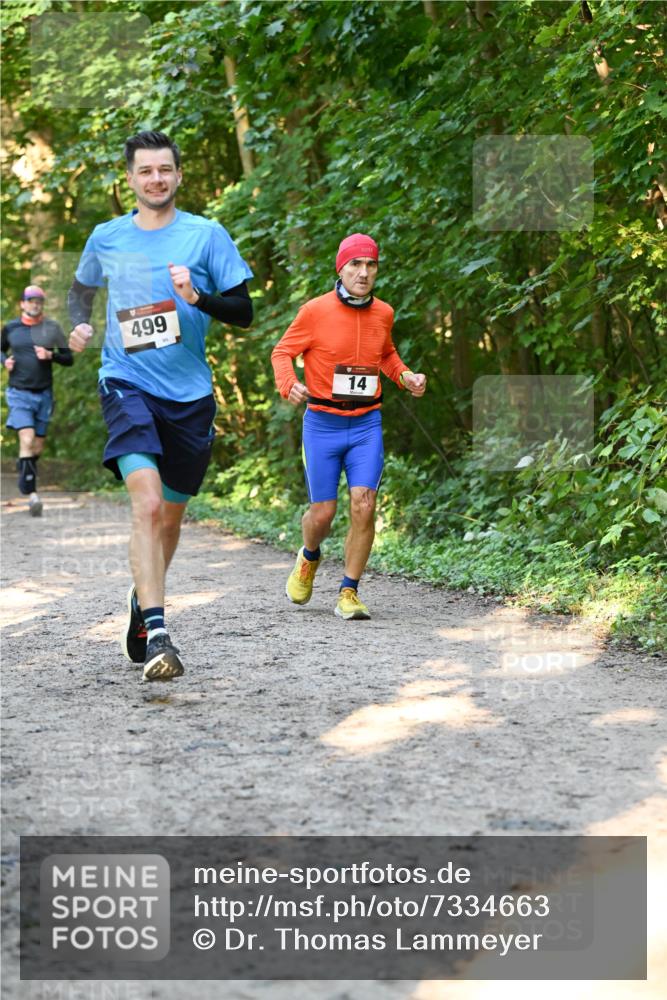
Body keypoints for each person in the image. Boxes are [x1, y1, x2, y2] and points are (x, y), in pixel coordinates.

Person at [68, 130, 253, 681]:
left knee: (170, 518)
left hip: (190, 397)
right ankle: (158, 633)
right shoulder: (107, 237)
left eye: (164, 170)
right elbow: (81, 291)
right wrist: (79, 322)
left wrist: (197, 298)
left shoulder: (206, 235)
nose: (156, 179)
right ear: (129, 178)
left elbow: (244, 311)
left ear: (178, 175)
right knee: (146, 506)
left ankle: (139, 600)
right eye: (145, 171)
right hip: (125, 382)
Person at [271, 233, 426, 620]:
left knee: (365, 504)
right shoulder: (314, 311)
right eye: (356, 264)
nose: (364, 272)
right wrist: (288, 384)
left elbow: (386, 354)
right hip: (322, 423)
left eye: (371, 265)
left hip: (365, 424)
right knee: (322, 513)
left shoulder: (384, 313)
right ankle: (308, 557)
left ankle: (349, 591)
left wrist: (405, 376)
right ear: (340, 268)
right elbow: (282, 352)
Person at [1, 285, 73, 516]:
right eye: (31, 300)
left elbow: (68, 358)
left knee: (36, 446)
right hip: (18, 393)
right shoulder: (11, 328)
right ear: (22, 304)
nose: (35, 304)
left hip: (44, 395)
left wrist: (51, 355)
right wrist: (5, 362)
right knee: (27, 437)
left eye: (39, 301)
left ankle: (25, 467)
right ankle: (32, 495)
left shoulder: (51, 328)